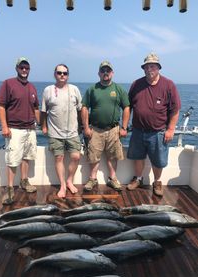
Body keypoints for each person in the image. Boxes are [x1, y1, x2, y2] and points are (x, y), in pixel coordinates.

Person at [127, 53, 181, 196]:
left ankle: (157, 182)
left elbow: (175, 110)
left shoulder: (169, 85)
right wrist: (124, 125)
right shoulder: (136, 84)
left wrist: (170, 129)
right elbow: (128, 106)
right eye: (146, 66)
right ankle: (138, 178)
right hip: (138, 130)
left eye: (152, 66)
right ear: (143, 68)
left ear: (158, 68)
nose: (149, 69)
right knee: (137, 157)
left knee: (158, 161)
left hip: (158, 132)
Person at [81, 61, 130, 191]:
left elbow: (126, 107)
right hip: (95, 129)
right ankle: (92, 179)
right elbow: (85, 107)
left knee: (113, 156)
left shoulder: (119, 89)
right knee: (93, 156)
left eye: (108, 70)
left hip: (114, 129)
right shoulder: (92, 89)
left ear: (112, 73)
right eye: (103, 71)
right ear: (99, 73)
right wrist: (86, 127)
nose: (105, 73)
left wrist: (124, 127)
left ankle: (113, 179)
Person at [0, 57, 40, 205]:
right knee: (12, 160)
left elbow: (36, 107)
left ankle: (24, 181)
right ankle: (9, 190)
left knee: (27, 157)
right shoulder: (8, 83)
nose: (24, 70)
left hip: (30, 129)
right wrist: (4, 126)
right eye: (21, 67)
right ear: (17, 68)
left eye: (26, 68)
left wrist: (40, 122)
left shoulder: (32, 87)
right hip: (14, 129)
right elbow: (1, 106)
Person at [41, 64, 82, 198]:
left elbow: (80, 110)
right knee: (59, 157)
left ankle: (69, 180)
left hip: (73, 132)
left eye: (65, 73)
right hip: (55, 132)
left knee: (76, 156)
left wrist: (82, 126)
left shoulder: (75, 89)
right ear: (55, 74)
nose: (62, 75)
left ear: (68, 75)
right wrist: (44, 126)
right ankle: (63, 185)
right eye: (59, 73)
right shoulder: (48, 90)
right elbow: (43, 111)